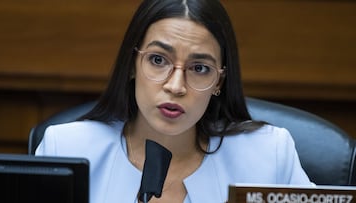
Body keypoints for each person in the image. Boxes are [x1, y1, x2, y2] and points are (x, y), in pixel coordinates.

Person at [36, 0, 313, 202]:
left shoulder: (269, 156)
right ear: (132, 64)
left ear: (219, 81)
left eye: (199, 68)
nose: (176, 86)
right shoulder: (67, 149)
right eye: (158, 60)